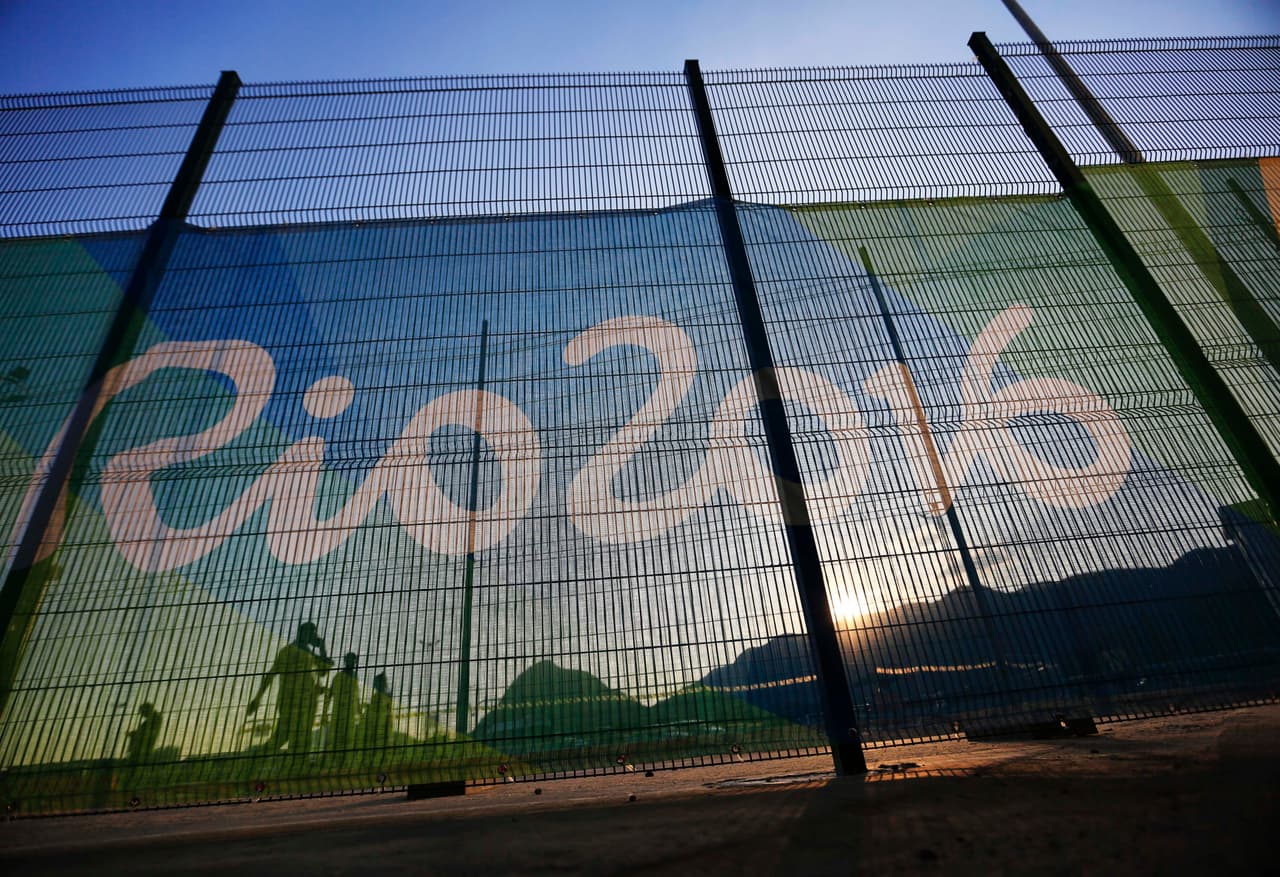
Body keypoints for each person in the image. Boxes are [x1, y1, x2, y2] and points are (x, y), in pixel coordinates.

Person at [247, 622, 333, 756]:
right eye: (312, 633)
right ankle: (257, 757)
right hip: (293, 702)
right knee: (291, 738)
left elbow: (322, 672)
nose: (314, 636)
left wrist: (322, 648)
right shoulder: (288, 651)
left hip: (307, 703)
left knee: (294, 738)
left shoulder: (308, 653)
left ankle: (259, 756)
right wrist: (258, 698)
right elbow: (271, 674)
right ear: (303, 633)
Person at [326, 652, 362, 760]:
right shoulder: (338, 676)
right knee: (335, 737)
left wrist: (360, 712)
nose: (353, 662)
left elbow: (356, 696)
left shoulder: (355, 677)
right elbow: (330, 694)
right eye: (350, 660)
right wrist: (324, 713)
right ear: (345, 661)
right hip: (339, 713)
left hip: (350, 714)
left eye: (354, 660)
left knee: (349, 738)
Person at [359, 672, 395, 760]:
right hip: (374, 723)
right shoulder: (376, 696)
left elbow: (388, 711)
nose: (375, 685)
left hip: (381, 723)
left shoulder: (385, 696)